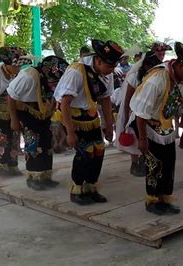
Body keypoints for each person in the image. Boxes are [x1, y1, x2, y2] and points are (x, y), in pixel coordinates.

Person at [129, 42, 183, 215]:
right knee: (154, 163)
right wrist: (142, 139)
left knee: (169, 160)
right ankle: (152, 200)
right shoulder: (157, 78)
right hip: (144, 122)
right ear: (180, 66)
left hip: (164, 125)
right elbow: (141, 112)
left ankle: (165, 197)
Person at [54, 39, 124, 205]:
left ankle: (91, 187)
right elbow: (65, 102)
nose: (111, 71)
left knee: (98, 150)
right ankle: (77, 189)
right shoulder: (76, 72)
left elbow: (105, 99)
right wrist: (70, 133)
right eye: (109, 67)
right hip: (71, 116)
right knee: (85, 152)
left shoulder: (107, 73)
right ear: (98, 60)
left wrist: (109, 125)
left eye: (113, 67)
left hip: (91, 116)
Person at [7, 56, 69, 191]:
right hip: (25, 110)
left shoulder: (51, 79)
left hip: (43, 112)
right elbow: (11, 97)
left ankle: (45, 176)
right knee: (34, 142)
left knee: (47, 142)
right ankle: (33, 177)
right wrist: (14, 119)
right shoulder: (29, 76)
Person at [0, 47, 32, 176]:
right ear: (7, 64)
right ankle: (2, 166)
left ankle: (13, 166)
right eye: (16, 66)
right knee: (3, 137)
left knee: (14, 136)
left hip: (12, 107)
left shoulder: (18, 73)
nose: (18, 69)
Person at [115, 51, 162, 177]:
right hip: (133, 112)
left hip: (147, 113)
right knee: (134, 139)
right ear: (145, 65)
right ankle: (134, 163)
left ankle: (144, 162)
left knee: (145, 137)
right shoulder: (134, 77)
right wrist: (126, 118)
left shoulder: (155, 77)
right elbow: (127, 100)